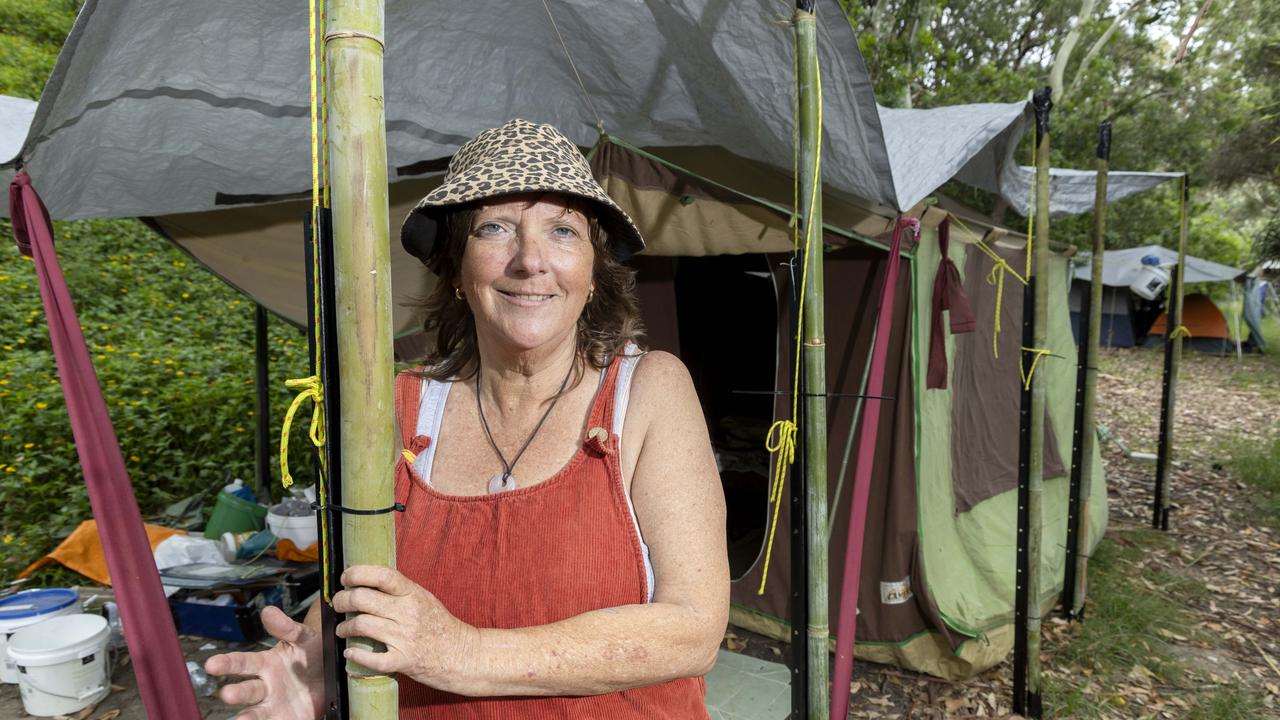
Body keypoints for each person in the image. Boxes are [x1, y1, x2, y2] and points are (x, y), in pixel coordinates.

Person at [206, 119, 729, 719]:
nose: (530, 261)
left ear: (593, 273)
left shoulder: (650, 390)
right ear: (455, 270)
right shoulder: (395, 409)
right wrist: (320, 662)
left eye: (562, 231)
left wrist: (463, 651)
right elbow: (363, 583)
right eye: (496, 228)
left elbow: (693, 630)